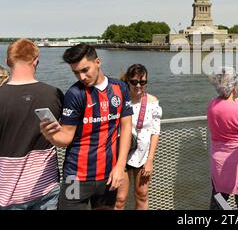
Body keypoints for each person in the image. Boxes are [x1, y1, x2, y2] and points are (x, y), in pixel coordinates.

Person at [40, 43, 133, 210]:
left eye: (85, 70)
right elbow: (66, 138)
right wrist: (50, 134)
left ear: (97, 62)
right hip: (75, 178)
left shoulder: (120, 88)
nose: (81, 77)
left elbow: (126, 128)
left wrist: (120, 166)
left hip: (108, 176)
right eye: (76, 72)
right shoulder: (74, 94)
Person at [0, 39, 63, 210]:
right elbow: (64, 135)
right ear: (36, 60)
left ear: (8, 62)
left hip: (6, 193)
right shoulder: (54, 94)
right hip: (46, 188)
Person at [207, 67, 238, 210]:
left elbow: (224, 110)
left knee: (219, 200)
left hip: (219, 163)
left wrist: (234, 102)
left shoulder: (211, 106)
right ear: (235, 87)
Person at [115, 64, 161, 210]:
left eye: (142, 82)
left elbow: (155, 132)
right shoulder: (119, 100)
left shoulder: (153, 102)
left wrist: (150, 160)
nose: (138, 86)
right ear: (128, 81)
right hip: (121, 154)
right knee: (120, 199)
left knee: (142, 194)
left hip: (142, 155)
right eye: (134, 82)